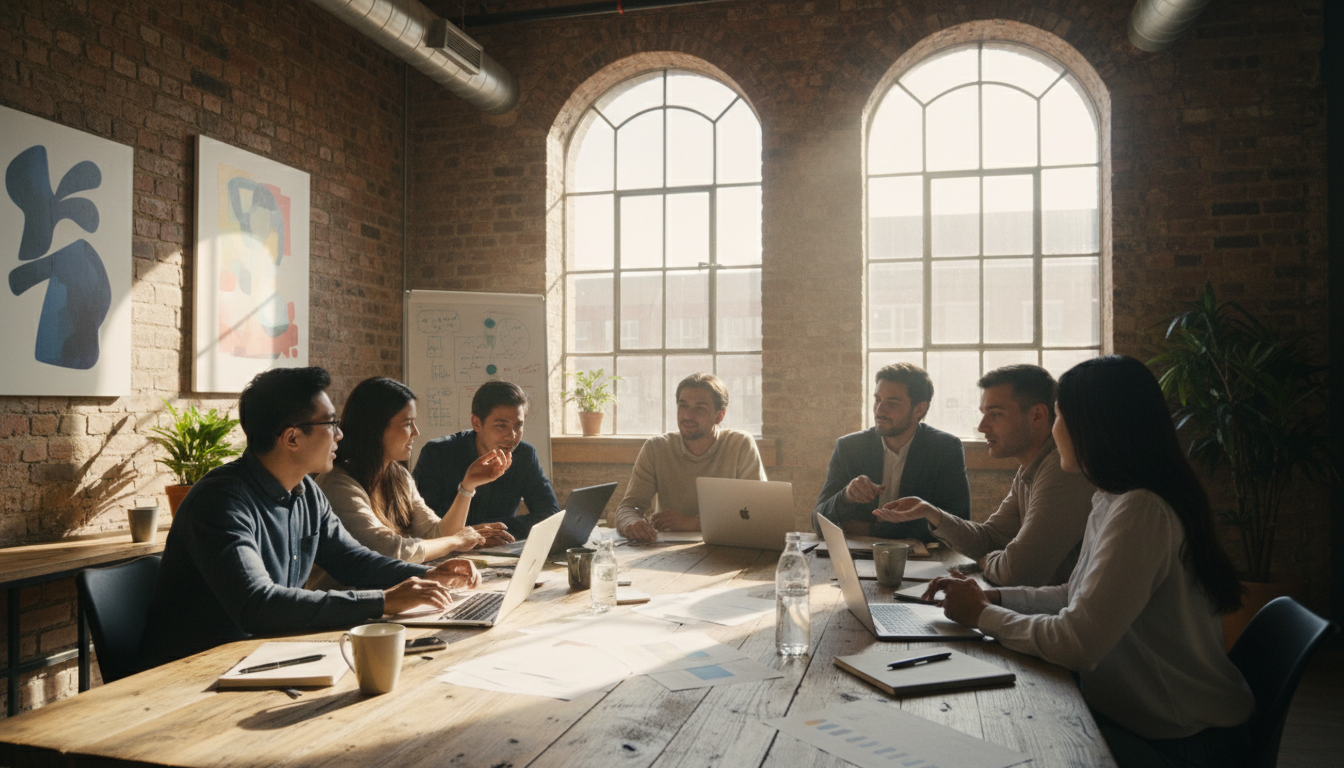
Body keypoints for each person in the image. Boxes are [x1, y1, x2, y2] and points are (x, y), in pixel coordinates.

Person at [924, 356, 1253, 768]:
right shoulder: (1112, 498)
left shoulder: (1142, 511)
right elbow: (1072, 593)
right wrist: (992, 598)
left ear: (1094, 427)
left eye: (1060, 417)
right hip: (1138, 718)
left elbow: (1077, 644)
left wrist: (983, 616)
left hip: (1181, 741)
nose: (1054, 429)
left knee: (993, 738)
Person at [137, 367, 480, 670]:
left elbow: (351, 560)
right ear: (291, 438)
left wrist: (427, 574)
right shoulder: (221, 501)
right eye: (331, 424)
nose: (340, 435)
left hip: (262, 654)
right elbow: (258, 604)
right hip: (191, 670)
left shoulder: (306, 491)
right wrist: (383, 600)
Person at [872, 365, 1094, 586]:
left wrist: (986, 562)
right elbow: (990, 539)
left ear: (1037, 415)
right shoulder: (1029, 468)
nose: (981, 427)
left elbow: (1016, 572)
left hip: (1056, 615)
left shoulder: (1062, 471)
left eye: (996, 414)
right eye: (983, 414)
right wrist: (932, 513)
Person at [307, 377, 515, 591]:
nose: (416, 432)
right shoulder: (337, 485)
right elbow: (391, 550)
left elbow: (437, 534)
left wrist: (468, 485)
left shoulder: (398, 476)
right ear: (376, 427)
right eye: (407, 424)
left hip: (391, 599)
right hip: (346, 612)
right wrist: (456, 541)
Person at [814, 363, 970, 542]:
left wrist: (872, 530)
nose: (879, 410)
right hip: (854, 555)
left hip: (918, 559)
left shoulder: (945, 449)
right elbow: (818, 522)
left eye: (892, 403)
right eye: (878, 399)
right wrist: (845, 496)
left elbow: (958, 524)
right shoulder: (849, 447)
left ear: (919, 409)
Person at [614, 373, 766, 542]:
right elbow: (629, 506)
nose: (687, 415)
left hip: (727, 548)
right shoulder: (656, 448)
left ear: (720, 415)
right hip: (667, 553)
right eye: (683, 406)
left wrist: (694, 523)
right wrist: (632, 523)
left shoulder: (740, 445)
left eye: (699, 408)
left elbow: (756, 512)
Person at [412, 380, 560, 539]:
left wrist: (492, 530)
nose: (512, 436)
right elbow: (421, 526)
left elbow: (551, 516)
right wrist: (471, 534)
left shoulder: (525, 455)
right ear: (476, 423)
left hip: (499, 551)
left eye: (518, 425)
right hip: (446, 552)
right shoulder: (437, 454)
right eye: (501, 426)